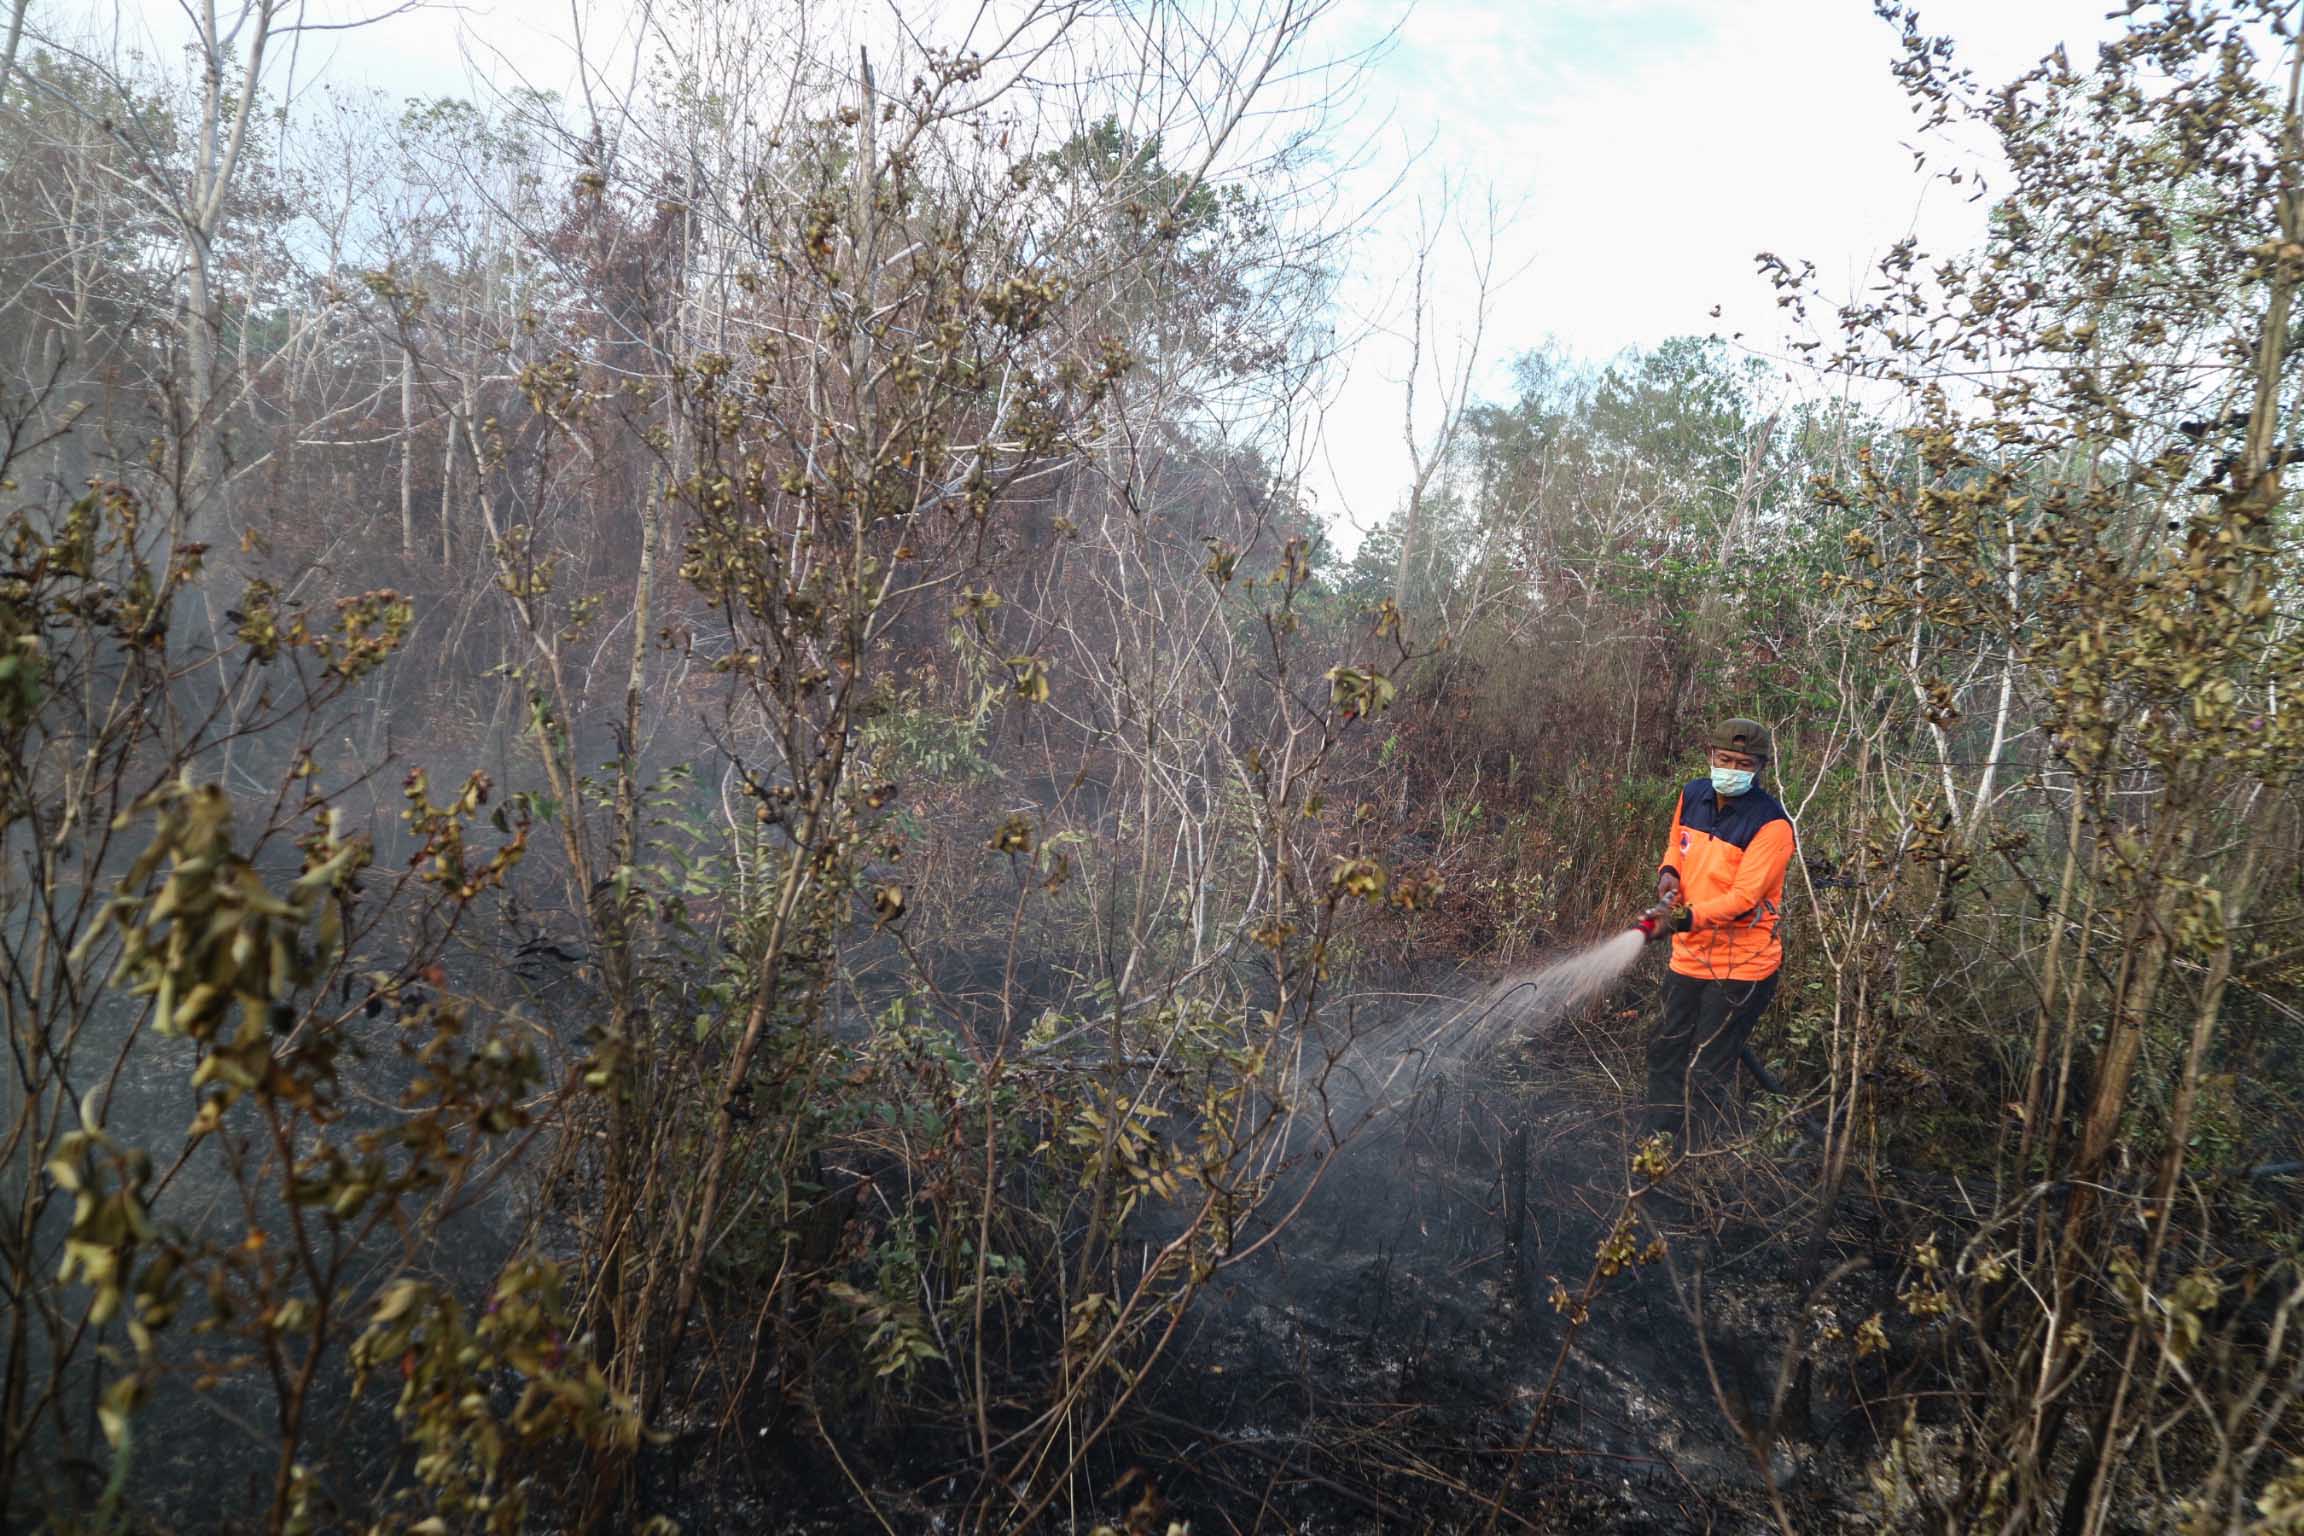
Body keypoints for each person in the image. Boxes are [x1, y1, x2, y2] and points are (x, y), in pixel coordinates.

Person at [1634, 718, 1795, 1146]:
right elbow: (1677, 844)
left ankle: (1699, 1156)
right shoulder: (1692, 794)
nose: (1731, 769)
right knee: (1665, 1047)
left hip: (1741, 967)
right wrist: (1669, 872)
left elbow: (1743, 899)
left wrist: (1679, 920)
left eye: (1743, 763)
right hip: (1689, 956)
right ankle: (1658, 1140)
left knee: (1709, 1068)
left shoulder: (1772, 826)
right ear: (1710, 755)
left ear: (1760, 767)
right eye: (1724, 759)